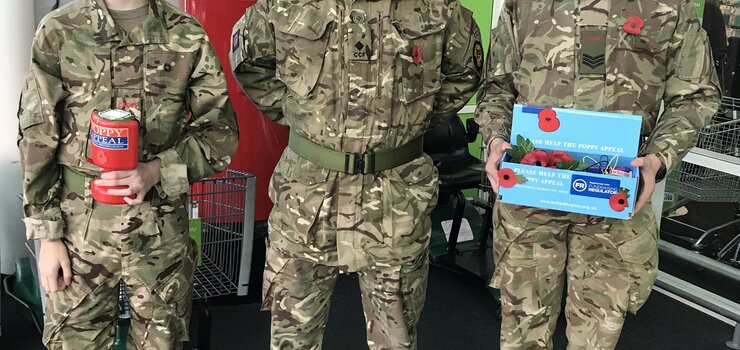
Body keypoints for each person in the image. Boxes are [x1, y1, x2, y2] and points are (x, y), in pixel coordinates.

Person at [230, 0, 482, 348]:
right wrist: (304, 116)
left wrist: (408, 122)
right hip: (306, 200)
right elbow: (250, 64)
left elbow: (463, 74)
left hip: (396, 202)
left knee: (397, 338)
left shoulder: (439, 7)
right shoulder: (282, 3)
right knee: (292, 337)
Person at [476, 0, 720, 349]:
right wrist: (497, 137)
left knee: (596, 339)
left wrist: (658, 156)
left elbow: (697, 95)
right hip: (532, 200)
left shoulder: (668, 5)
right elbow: (497, 85)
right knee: (522, 333)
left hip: (615, 203)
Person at [17, 0, 238, 348]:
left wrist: (157, 171)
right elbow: (38, 135)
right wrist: (48, 236)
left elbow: (219, 132)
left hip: (160, 230)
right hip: (79, 232)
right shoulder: (61, 29)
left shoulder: (186, 33)